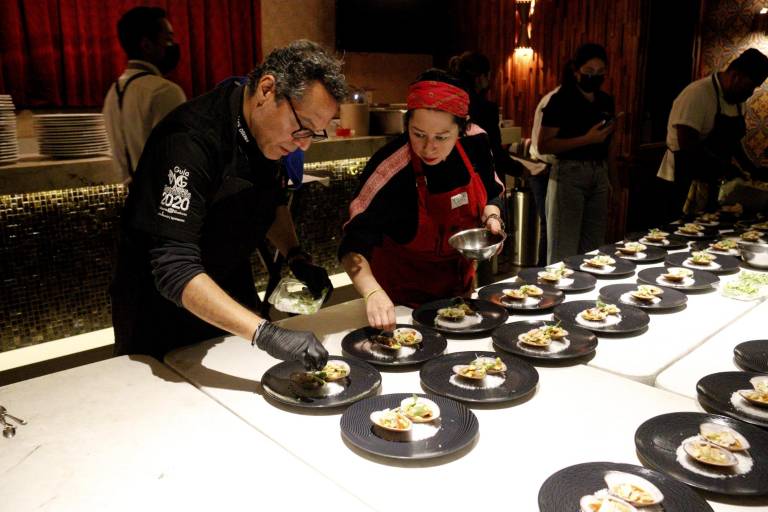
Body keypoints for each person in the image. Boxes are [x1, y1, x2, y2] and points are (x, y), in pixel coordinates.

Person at [110, 40, 347, 369]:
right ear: (267, 89)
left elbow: (270, 200)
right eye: (302, 127)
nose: (303, 144)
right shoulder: (189, 141)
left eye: (316, 133)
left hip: (230, 289)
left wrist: (295, 256)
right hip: (163, 313)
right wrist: (267, 334)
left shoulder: (268, 132)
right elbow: (174, 270)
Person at [339, 69, 505, 331]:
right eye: (418, 134)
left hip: (459, 298)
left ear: (462, 129)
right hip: (398, 308)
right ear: (407, 125)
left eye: (442, 137)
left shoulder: (476, 142)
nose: (429, 147)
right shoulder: (390, 169)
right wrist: (371, 292)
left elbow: (491, 189)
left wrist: (492, 216)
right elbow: (352, 245)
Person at [657, 48, 768, 219]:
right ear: (736, 76)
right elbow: (688, 143)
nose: (750, 93)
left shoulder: (738, 101)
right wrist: (726, 168)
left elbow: (733, 142)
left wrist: (751, 169)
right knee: (676, 234)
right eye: (750, 87)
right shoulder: (698, 94)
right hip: (681, 178)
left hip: (710, 180)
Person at [538, 43, 616, 264]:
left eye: (600, 73)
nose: (595, 77)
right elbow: (544, 144)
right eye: (589, 72)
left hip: (599, 173)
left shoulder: (605, 100)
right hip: (569, 175)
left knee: (594, 251)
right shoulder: (561, 99)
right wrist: (588, 139)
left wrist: (615, 184)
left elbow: (610, 145)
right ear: (576, 71)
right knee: (564, 251)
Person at [103, 7, 187, 184]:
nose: (174, 45)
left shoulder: (113, 92)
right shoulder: (164, 91)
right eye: (168, 39)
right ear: (147, 45)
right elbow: (178, 161)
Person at [449, 51, 522, 177]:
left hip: (453, 175)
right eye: (488, 75)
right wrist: (520, 170)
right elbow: (494, 152)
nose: (489, 79)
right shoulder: (485, 108)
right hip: (481, 180)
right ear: (480, 77)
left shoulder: (448, 103)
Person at [529, 85, 560, 265]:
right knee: (549, 226)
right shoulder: (554, 100)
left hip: (549, 167)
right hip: (543, 168)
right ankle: (543, 273)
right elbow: (544, 145)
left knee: (551, 227)